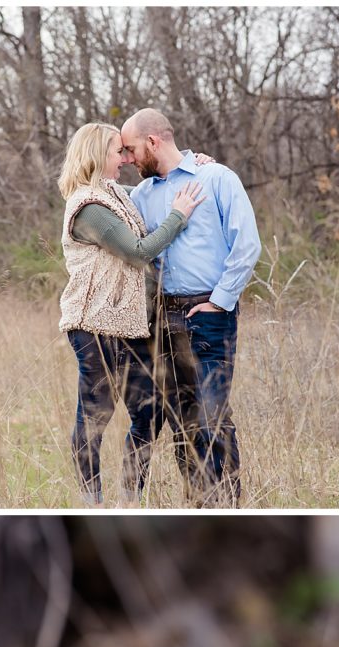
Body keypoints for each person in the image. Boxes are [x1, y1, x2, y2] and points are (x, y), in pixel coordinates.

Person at [120, 108, 262, 507]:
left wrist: (220, 301)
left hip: (209, 314)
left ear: (153, 142)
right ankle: (197, 504)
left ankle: (226, 507)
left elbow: (246, 244)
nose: (128, 159)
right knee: (180, 418)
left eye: (131, 150)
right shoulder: (141, 196)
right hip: (162, 317)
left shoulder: (216, 178)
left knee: (211, 415)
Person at [58, 122, 204, 507]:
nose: (124, 158)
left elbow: (154, 190)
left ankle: (130, 495)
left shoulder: (115, 194)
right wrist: (178, 216)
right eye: (116, 151)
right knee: (95, 418)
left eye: (126, 151)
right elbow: (138, 252)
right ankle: (92, 501)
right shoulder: (89, 207)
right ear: (95, 155)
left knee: (149, 411)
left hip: (129, 326)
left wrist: (193, 166)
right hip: (94, 326)